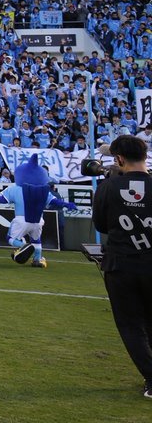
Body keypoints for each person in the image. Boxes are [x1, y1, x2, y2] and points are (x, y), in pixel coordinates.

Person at [92, 135, 152, 399]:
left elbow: (101, 225)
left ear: (118, 159)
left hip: (121, 266)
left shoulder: (108, 186)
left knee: (130, 326)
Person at [0, 153, 75, 268]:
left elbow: (2, 199)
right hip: (38, 220)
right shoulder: (43, 191)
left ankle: (23, 246)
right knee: (36, 240)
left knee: (10, 238)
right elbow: (54, 201)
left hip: (21, 220)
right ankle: (38, 260)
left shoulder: (15, 189)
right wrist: (67, 204)